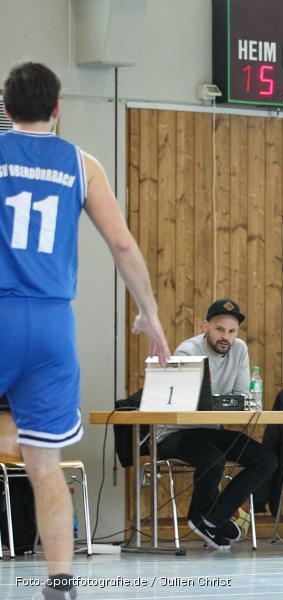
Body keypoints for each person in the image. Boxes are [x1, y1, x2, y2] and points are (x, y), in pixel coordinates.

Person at [0, 62, 171, 600]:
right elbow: (122, 244)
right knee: (43, 463)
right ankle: (59, 583)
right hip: (52, 324)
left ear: (5, 110)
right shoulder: (82, 163)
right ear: (57, 109)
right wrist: (150, 315)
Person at [157, 298, 277, 551]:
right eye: (220, 329)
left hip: (211, 429)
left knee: (266, 459)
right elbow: (181, 403)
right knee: (213, 458)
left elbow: (241, 395)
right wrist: (223, 403)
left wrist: (222, 403)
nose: (226, 337)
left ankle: (213, 518)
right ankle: (204, 518)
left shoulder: (239, 349)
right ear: (206, 327)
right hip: (176, 432)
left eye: (232, 331)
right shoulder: (188, 352)